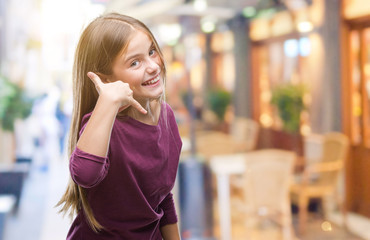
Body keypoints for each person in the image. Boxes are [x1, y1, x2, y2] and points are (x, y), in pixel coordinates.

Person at [56, 12, 182, 240]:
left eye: (152, 51)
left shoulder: (166, 117)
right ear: (106, 80)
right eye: (135, 62)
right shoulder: (102, 125)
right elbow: (84, 174)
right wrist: (107, 103)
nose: (153, 66)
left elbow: (162, 197)